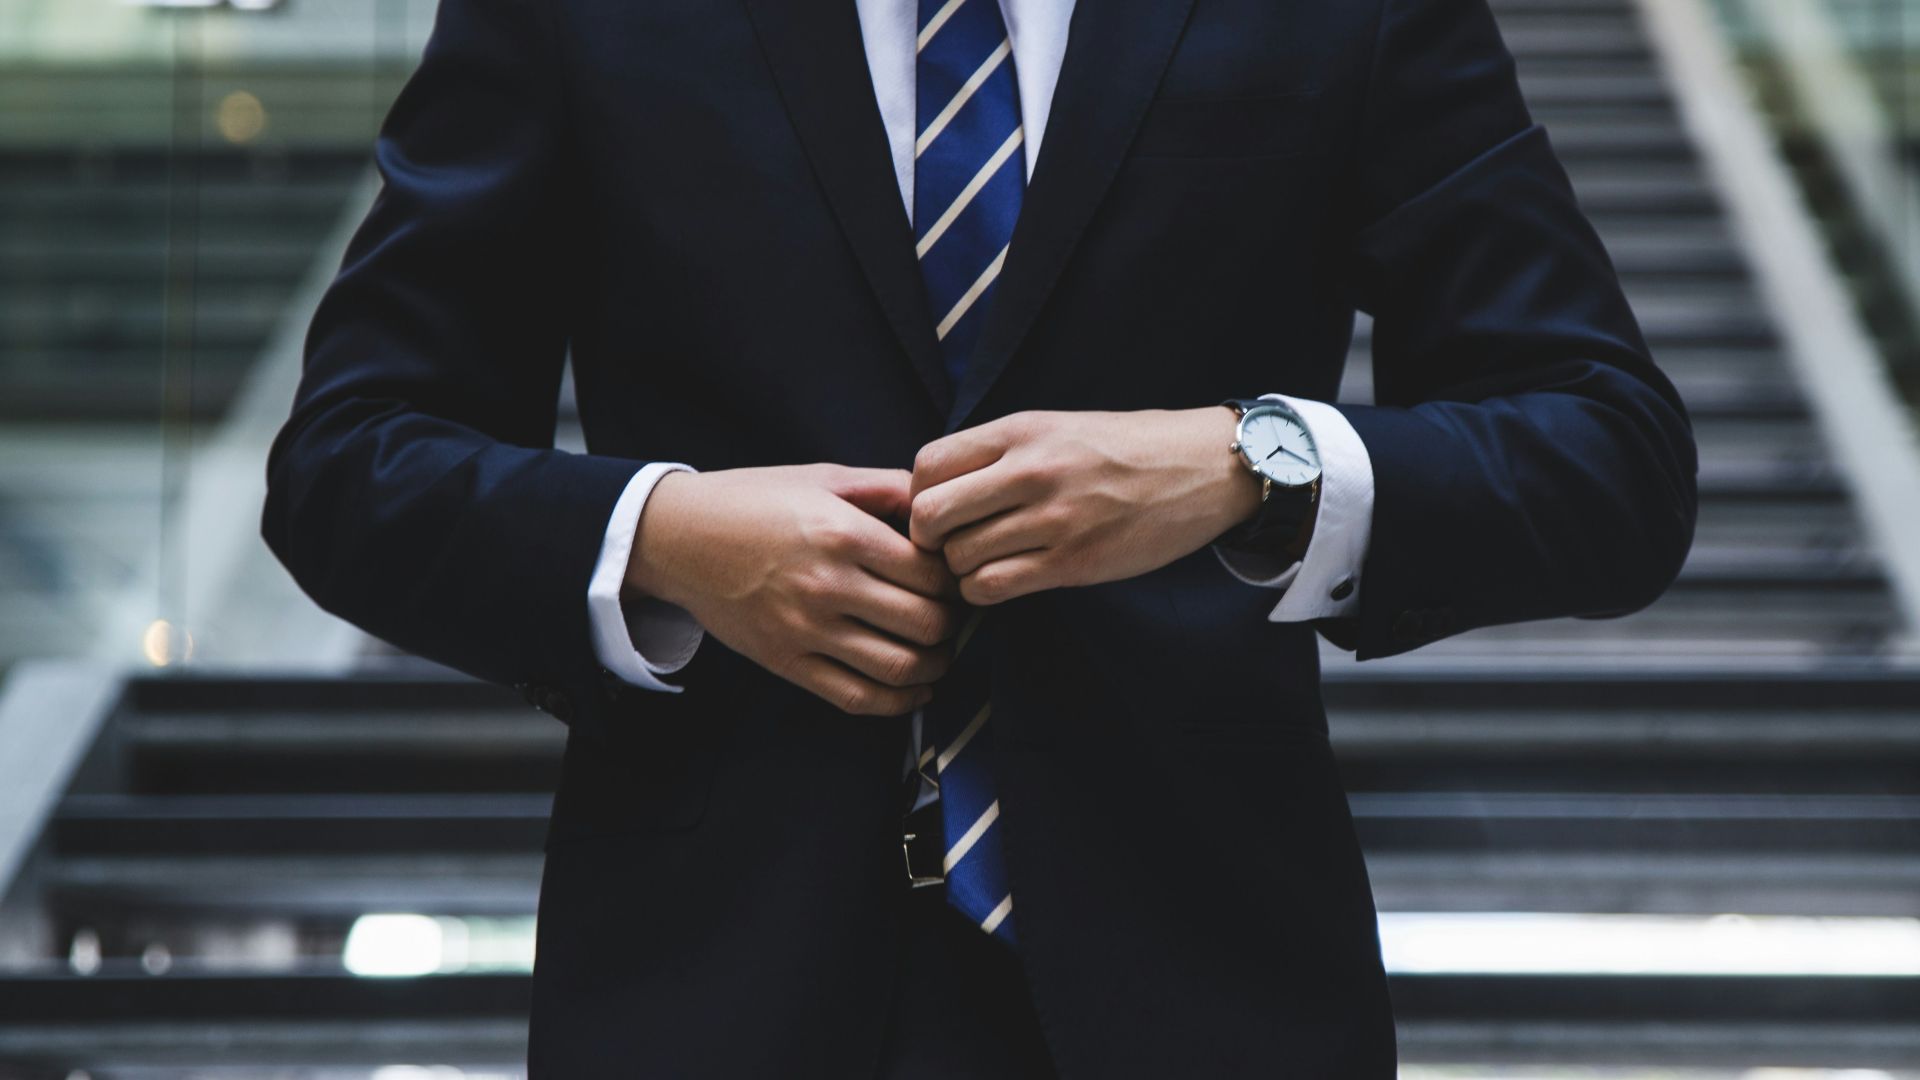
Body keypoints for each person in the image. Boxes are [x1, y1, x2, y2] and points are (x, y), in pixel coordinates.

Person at [262, 0, 1699, 1074]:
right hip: (709, 985)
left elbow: (1610, 454)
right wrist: (664, 536)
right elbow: (346, 461)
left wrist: (1249, 459)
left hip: (1209, 987)